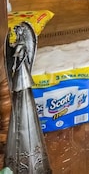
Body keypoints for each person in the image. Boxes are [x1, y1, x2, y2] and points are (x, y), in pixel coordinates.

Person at [4, 22, 51, 173]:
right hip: (20, 79)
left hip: (22, 79)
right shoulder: (20, 45)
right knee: (20, 115)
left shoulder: (21, 46)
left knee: (26, 115)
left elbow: (19, 56)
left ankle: (35, 165)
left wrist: (15, 53)